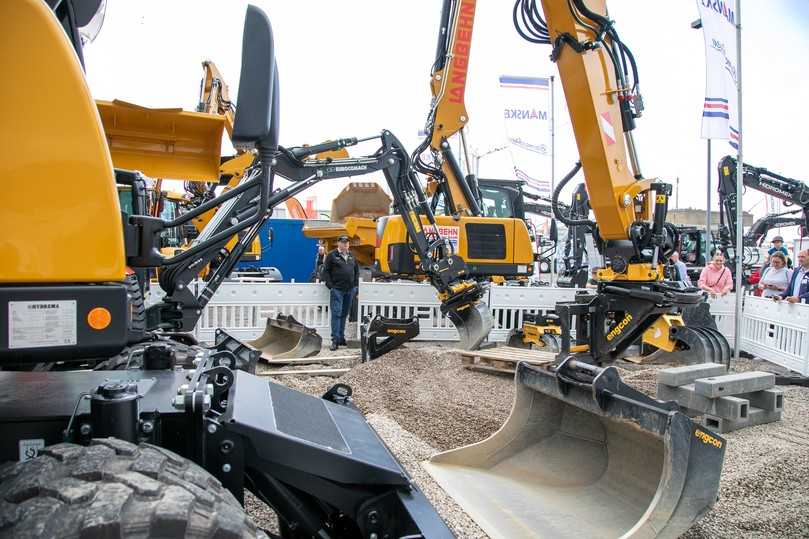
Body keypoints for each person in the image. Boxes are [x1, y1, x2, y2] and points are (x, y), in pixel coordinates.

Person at [321, 235, 359, 350]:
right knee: (336, 314)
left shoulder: (352, 256)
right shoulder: (332, 256)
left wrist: (355, 287)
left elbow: (356, 272)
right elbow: (325, 271)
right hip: (337, 290)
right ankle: (335, 340)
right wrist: (331, 286)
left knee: (344, 314)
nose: (345, 244)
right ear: (338, 243)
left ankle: (341, 338)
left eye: (347, 242)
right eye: (343, 242)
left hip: (349, 290)